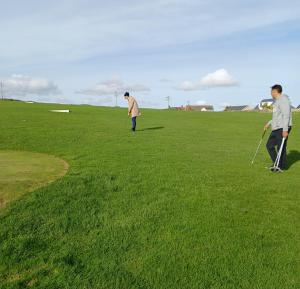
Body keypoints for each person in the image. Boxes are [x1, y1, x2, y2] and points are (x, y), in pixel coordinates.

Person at [264, 84, 292, 172]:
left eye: (271, 92)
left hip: (282, 127)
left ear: (275, 92)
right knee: (269, 145)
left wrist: (285, 130)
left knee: (281, 147)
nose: (271, 93)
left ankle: (281, 166)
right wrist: (269, 123)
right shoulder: (277, 102)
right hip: (276, 127)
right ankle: (277, 164)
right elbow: (276, 117)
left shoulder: (283, 100)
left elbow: (286, 115)